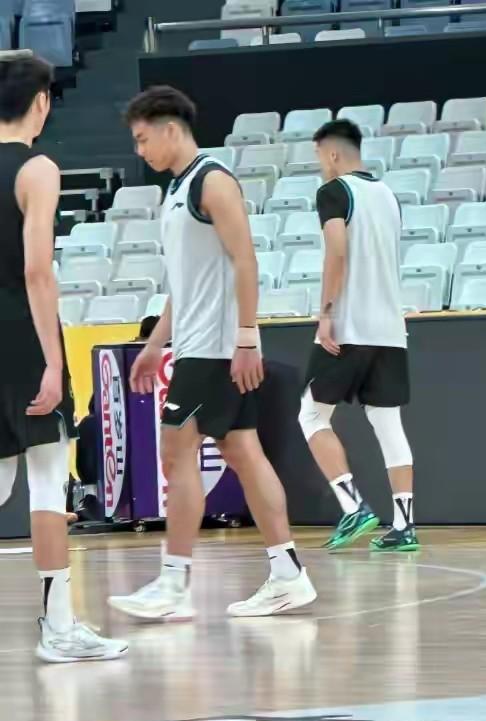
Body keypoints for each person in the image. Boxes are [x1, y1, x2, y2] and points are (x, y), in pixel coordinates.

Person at [108, 86, 317, 620]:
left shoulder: (213, 180)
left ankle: (173, 584)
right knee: (243, 451)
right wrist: (155, 344)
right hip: (198, 345)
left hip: (215, 350)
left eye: (142, 139)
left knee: (176, 453)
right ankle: (288, 574)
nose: (139, 150)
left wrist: (247, 338)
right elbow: (185, 285)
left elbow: (246, 260)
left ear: (169, 129)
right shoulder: (177, 190)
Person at [0, 52, 127, 661]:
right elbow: (36, 270)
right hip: (22, 335)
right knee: (48, 479)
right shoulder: (38, 168)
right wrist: (53, 361)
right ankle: (58, 628)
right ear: (42, 102)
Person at [297, 119, 418, 553]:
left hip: (350, 325)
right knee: (388, 424)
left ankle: (353, 506)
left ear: (332, 154)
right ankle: (404, 526)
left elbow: (338, 251)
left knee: (311, 417)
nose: (319, 166)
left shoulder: (334, 191)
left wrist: (326, 313)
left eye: (318, 157)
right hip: (390, 329)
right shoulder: (388, 196)